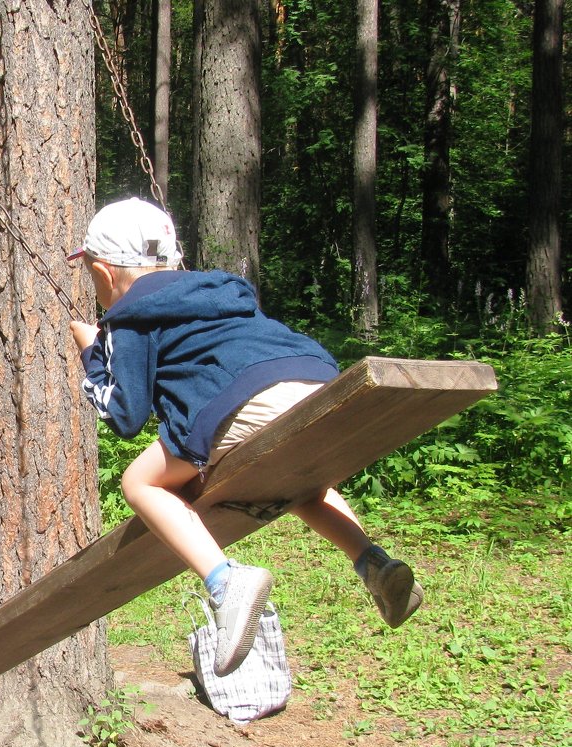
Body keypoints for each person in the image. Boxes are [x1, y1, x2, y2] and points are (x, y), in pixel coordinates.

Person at [67, 197, 423, 678]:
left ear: (105, 274)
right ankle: (373, 562)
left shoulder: (130, 316)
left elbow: (126, 416)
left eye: (90, 273)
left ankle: (225, 582)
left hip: (244, 401)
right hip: (314, 379)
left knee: (140, 483)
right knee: (303, 486)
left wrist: (93, 353)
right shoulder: (220, 288)